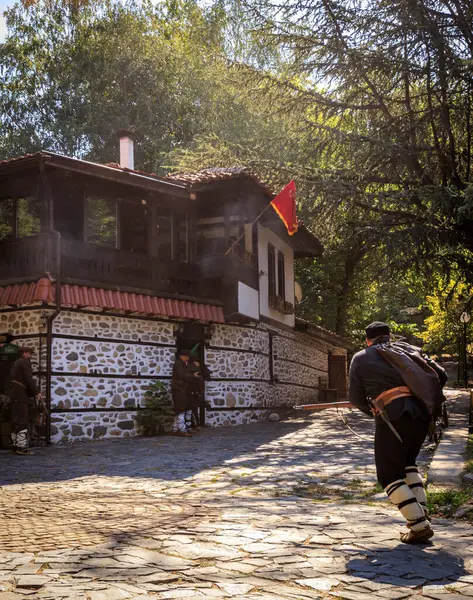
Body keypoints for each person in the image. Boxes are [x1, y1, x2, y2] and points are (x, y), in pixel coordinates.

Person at [348, 321, 447, 544]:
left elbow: (355, 397)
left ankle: (419, 525)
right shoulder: (410, 351)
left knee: (388, 475)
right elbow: (441, 376)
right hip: (422, 417)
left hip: (393, 417)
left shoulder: (361, 357)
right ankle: (421, 514)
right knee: (408, 464)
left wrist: (372, 409)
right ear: (389, 336)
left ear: (367, 340)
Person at [9, 347, 42, 455]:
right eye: (29, 353)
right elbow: (29, 378)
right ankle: (21, 448)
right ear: (24, 353)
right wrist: (36, 392)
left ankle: (15, 446)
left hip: (15, 394)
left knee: (16, 421)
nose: (30, 356)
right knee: (22, 420)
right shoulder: (24, 362)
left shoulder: (16, 363)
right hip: (20, 395)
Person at [171, 349, 200, 437]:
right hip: (179, 389)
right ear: (181, 356)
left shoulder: (183, 364)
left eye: (188, 357)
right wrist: (192, 375)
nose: (187, 358)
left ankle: (175, 429)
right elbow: (182, 375)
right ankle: (182, 430)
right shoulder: (179, 364)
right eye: (186, 357)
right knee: (181, 409)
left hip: (182, 389)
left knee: (181, 409)